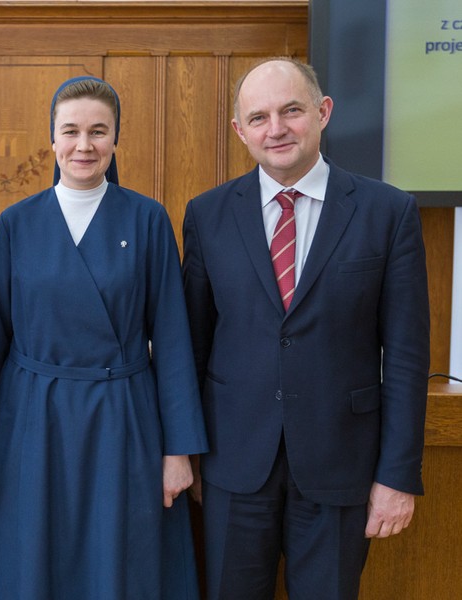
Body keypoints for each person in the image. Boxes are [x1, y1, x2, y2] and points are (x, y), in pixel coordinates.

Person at [181, 57, 430, 599]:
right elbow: (191, 347)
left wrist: (397, 477)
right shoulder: (207, 215)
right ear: (239, 130)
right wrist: (188, 452)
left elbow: (409, 358)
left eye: (291, 111)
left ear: (323, 112)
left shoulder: (388, 213)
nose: (276, 129)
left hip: (342, 466)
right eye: (259, 116)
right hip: (233, 463)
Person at [0, 76, 208, 600]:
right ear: (51, 140)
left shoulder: (147, 218)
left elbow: (171, 339)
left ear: (116, 139)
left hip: (121, 416)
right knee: (34, 557)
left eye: (98, 131)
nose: (84, 145)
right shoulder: (15, 223)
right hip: (32, 419)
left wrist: (178, 451)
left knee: (119, 558)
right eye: (70, 131)